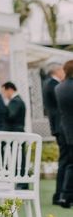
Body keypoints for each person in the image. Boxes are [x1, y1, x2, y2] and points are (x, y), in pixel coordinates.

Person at [44, 63, 68, 205]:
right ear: (58, 71)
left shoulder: (50, 84)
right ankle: (60, 194)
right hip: (62, 127)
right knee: (65, 161)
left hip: (59, 127)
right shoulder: (54, 85)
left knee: (64, 161)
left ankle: (61, 193)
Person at [55, 60, 73, 207]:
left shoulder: (60, 87)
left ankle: (64, 195)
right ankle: (66, 196)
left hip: (66, 129)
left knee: (69, 164)